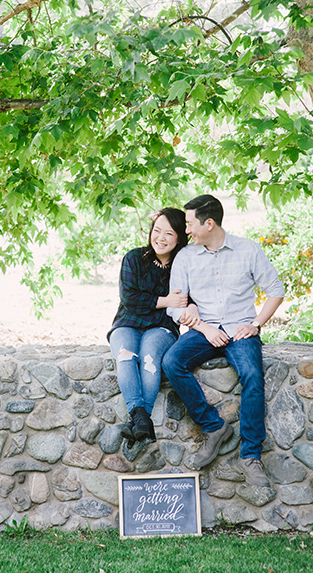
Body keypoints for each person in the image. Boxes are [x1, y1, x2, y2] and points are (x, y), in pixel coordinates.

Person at [162, 194, 285, 487]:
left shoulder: (247, 249)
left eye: (190, 224)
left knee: (253, 375)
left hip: (240, 329)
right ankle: (215, 427)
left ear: (209, 223)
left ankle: (250, 456)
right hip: (203, 330)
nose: (186, 230)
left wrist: (255, 325)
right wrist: (203, 328)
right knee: (171, 361)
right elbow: (175, 306)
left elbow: (276, 290)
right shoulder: (186, 257)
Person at [108, 208, 189, 447]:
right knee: (125, 356)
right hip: (127, 322)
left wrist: (182, 307)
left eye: (169, 233)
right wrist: (165, 301)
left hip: (162, 326)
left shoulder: (183, 265)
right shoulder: (134, 258)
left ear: (179, 238)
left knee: (150, 357)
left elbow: (187, 301)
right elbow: (130, 298)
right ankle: (142, 418)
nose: (160, 238)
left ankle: (140, 421)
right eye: (157, 231)